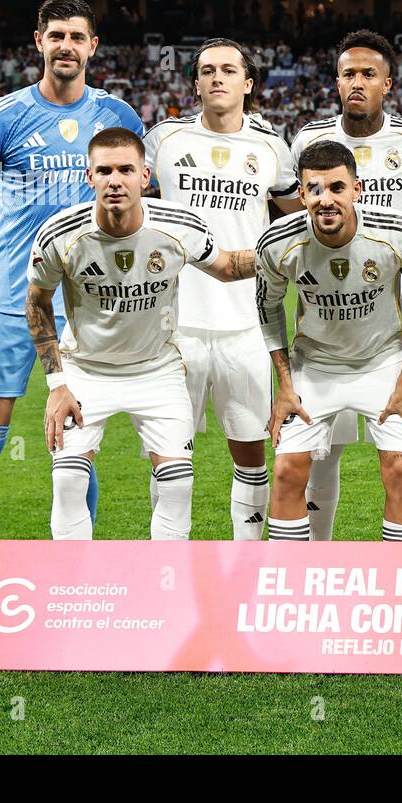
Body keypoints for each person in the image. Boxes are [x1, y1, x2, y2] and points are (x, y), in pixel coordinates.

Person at [0, 0, 143, 621]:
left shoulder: (116, 113)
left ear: (93, 46)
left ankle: (80, 569)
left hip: (86, 304)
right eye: (56, 35)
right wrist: (6, 268)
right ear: (39, 41)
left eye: (77, 36)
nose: (66, 46)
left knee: (79, 435)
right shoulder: (2, 117)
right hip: (8, 301)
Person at [26, 128, 261, 541]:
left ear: (145, 176)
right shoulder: (59, 235)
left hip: (157, 372)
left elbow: (226, 267)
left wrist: (283, 252)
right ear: (89, 177)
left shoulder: (179, 226)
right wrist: (56, 384)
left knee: (176, 483)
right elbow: (36, 302)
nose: (115, 180)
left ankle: (165, 587)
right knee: (67, 481)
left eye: (125, 170)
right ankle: (72, 592)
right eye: (105, 171)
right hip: (85, 373)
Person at [289, 30, 402, 540]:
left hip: (396, 322)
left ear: (388, 82)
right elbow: (299, 215)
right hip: (327, 317)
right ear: (337, 82)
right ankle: (317, 561)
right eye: (348, 74)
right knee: (321, 453)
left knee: (401, 452)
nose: (357, 83)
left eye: (368, 74)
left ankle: (401, 575)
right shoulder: (308, 141)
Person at [143, 37, 302, 540]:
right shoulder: (162, 140)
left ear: (248, 83)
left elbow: (297, 220)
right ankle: (170, 566)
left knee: (251, 452)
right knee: (169, 460)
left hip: (247, 327)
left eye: (229, 70)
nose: (217, 78)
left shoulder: (270, 148)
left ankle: (247, 559)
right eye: (207, 70)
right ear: (195, 83)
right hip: (174, 327)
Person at [256, 141, 402, 542]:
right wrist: (285, 384)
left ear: (356, 189)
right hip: (314, 365)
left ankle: (400, 586)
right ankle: (293, 585)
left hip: (385, 362)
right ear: (301, 194)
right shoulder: (276, 243)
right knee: (287, 471)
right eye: (315, 189)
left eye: (337, 188)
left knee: (400, 469)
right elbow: (268, 309)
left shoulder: (399, 233)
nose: (326, 200)